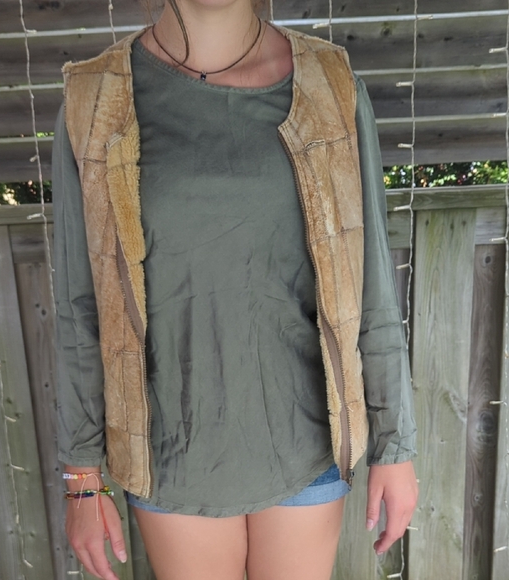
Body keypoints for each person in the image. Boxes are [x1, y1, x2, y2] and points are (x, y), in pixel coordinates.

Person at [52, 1, 418, 579]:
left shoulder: (330, 83)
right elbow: (80, 306)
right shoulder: (95, 98)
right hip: (169, 452)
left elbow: (370, 278)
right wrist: (81, 477)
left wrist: (395, 446)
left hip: (307, 441)